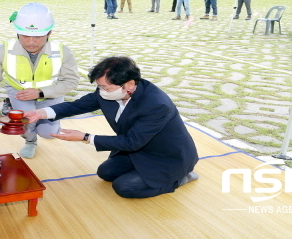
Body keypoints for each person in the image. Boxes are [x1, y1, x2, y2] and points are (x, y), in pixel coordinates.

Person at [23, 56, 199, 198]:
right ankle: (142, 171)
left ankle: (180, 179)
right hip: (138, 151)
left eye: (105, 87)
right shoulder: (109, 92)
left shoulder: (156, 104)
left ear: (129, 84)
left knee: (124, 187)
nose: (101, 91)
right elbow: (76, 106)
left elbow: (132, 142)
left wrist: (85, 137)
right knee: (105, 172)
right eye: (99, 86)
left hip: (167, 157)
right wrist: (41, 113)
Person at [0, 3, 80, 159]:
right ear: (17, 33)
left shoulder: (62, 52)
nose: (31, 41)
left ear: (49, 33)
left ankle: (51, 122)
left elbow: (71, 81)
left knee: (49, 134)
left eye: (38, 36)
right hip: (19, 93)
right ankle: (30, 141)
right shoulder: (2, 50)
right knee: (25, 125)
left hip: (51, 94)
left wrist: (41, 92)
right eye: (25, 35)